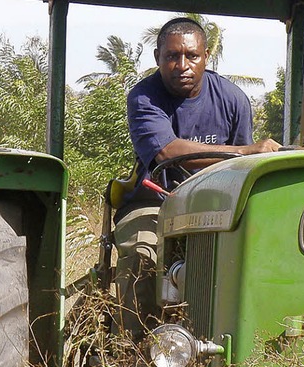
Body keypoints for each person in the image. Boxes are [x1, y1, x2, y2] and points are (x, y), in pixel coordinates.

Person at [114, 17, 281, 338]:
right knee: (141, 258)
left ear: (207, 56)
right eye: (172, 57)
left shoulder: (233, 99)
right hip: (156, 204)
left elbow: (240, 176)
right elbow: (167, 152)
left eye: (191, 56)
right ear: (157, 58)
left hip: (214, 210)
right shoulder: (144, 98)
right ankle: (132, 354)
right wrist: (248, 151)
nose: (182, 65)